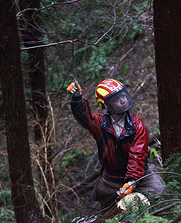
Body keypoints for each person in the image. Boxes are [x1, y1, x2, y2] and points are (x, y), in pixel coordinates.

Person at [67, 77, 165, 211]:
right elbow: (85, 118)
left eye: (123, 96)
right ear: (106, 105)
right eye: (116, 99)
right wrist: (77, 99)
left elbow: (137, 154)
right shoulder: (100, 124)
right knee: (110, 212)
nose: (123, 100)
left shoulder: (138, 126)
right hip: (111, 179)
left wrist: (132, 180)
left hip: (140, 175)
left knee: (158, 192)